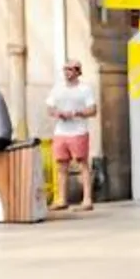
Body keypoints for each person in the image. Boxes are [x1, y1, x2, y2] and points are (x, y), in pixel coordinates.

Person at [46, 60, 98, 211]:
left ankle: (87, 199)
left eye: (70, 69)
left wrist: (76, 113)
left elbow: (93, 110)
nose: (67, 72)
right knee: (61, 165)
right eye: (65, 69)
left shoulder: (85, 89)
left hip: (79, 131)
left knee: (83, 164)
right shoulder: (58, 88)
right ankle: (62, 199)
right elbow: (49, 108)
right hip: (61, 132)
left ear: (77, 71)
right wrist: (58, 113)